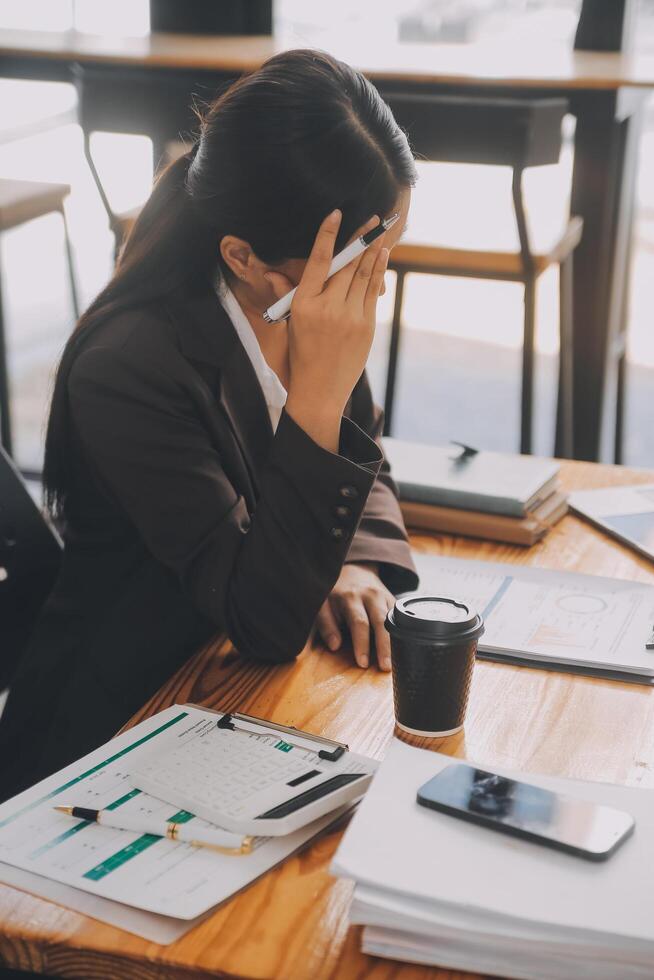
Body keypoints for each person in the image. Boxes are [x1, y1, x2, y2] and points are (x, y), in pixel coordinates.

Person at [0, 48, 418, 802]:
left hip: (222, 697)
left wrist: (354, 556)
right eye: (362, 262)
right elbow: (263, 620)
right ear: (245, 257)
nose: (375, 284)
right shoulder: (130, 365)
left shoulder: (299, 303)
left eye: (384, 251)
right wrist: (317, 398)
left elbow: (364, 458)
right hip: (117, 732)